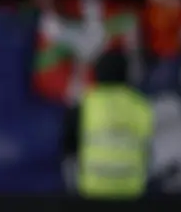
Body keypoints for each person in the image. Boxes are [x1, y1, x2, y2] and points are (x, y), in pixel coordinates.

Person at [62, 50, 153, 199]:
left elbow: (68, 149)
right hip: (131, 191)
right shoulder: (142, 106)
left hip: (92, 190)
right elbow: (150, 150)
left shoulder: (85, 104)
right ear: (126, 75)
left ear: (97, 74)